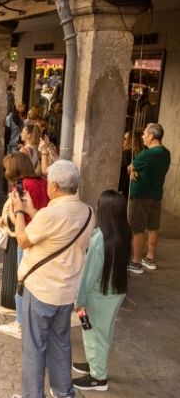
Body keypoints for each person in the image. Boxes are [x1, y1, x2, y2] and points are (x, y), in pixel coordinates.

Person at [10, 160, 95, 398]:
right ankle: (64, 393)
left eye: (49, 182)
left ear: (55, 185)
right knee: (61, 344)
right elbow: (59, 233)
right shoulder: (88, 212)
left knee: (34, 347)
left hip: (41, 289)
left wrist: (18, 212)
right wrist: (31, 212)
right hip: (67, 290)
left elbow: (23, 240)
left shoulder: (50, 214)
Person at [72, 190, 131, 392]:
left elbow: (89, 275)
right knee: (103, 332)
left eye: (99, 206)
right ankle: (94, 362)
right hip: (114, 292)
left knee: (94, 333)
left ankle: (98, 378)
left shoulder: (101, 240)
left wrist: (78, 300)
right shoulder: (123, 232)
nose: (96, 208)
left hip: (99, 295)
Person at [0, 153, 49, 338]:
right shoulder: (43, 180)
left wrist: (6, 218)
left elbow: (14, 216)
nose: (5, 171)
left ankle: (20, 324)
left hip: (26, 236)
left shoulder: (19, 187)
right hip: (44, 235)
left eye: (7, 167)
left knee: (22, 282)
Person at [127, 123, 171, 273]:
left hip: (141, 195)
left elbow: (129, 168)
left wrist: (133, 173)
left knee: (137, 229)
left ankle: (136, 262)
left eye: (145, 133)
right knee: (153, 227)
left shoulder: (147, 154)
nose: (142, 136)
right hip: (156, 195)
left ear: (151, 136)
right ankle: (150, 258)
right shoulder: (166, 153)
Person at [118, 130, 143, 199]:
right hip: (135, 185)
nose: (123, 140)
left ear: (131, 141)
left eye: (125, 139)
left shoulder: (126, 153)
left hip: (125, 184)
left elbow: (122, 169)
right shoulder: (139, 153)